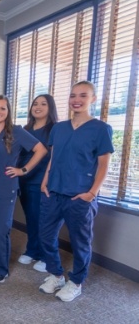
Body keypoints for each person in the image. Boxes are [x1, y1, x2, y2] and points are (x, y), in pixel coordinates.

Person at [38, 81, 113, 302]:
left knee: (81, 242)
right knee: (45, 236)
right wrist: (44, 181)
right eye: (72, 95)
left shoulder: (101, 129)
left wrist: (91, 193)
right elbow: (53, 158)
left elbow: (103, 165)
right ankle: (56, 275)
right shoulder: (59, 128)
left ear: (93, 99)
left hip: (80, 195)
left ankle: (76, 282)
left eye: (82, 95)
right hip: (53, 191)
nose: (76, 100)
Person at [0, 95, 47, 283]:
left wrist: (23, 170)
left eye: (2, 108)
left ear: (8, 111)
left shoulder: (17, 132)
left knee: (1, 228)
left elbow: (41, 150)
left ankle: (1, 268)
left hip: (6, 188)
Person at [17, 94, 58, 273]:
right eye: (35, 104)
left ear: (50, 108)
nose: (38, 107)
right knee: (31, 218)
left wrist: (47, 179)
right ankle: (32, 250)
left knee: (44, 220)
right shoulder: (25, 129)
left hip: (42, 180)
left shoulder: (54, 129)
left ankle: (45, 256)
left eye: (43, 104)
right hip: (25, 180)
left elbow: (54, 157)